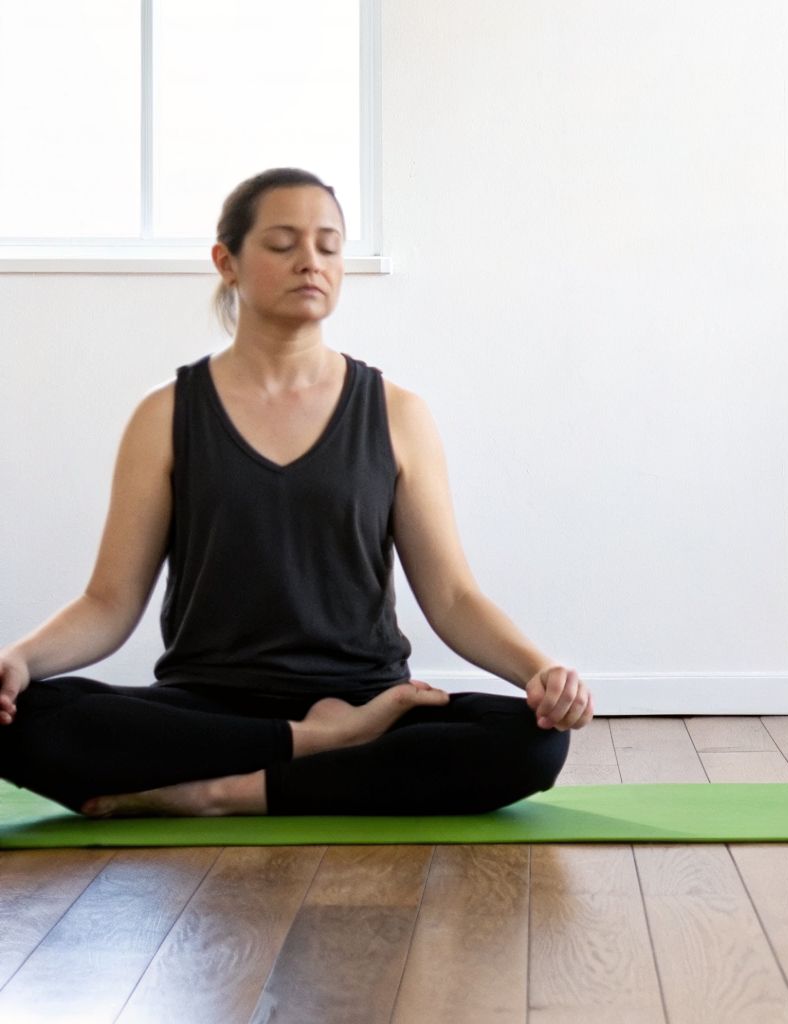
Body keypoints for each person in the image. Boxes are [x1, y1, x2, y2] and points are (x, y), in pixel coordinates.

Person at [0, 168, 593, 818]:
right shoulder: (166, 415)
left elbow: (452, 598)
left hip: (366, 703)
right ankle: (311, 748)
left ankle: (226, 792)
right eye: (283, 245)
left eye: (329, 245)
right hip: (209, 706)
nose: (310, 262)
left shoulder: (397, 413)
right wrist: (20, 660)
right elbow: (108, 602)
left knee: (533, 744)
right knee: (22, 718)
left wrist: (540, 674)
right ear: (227, 261)